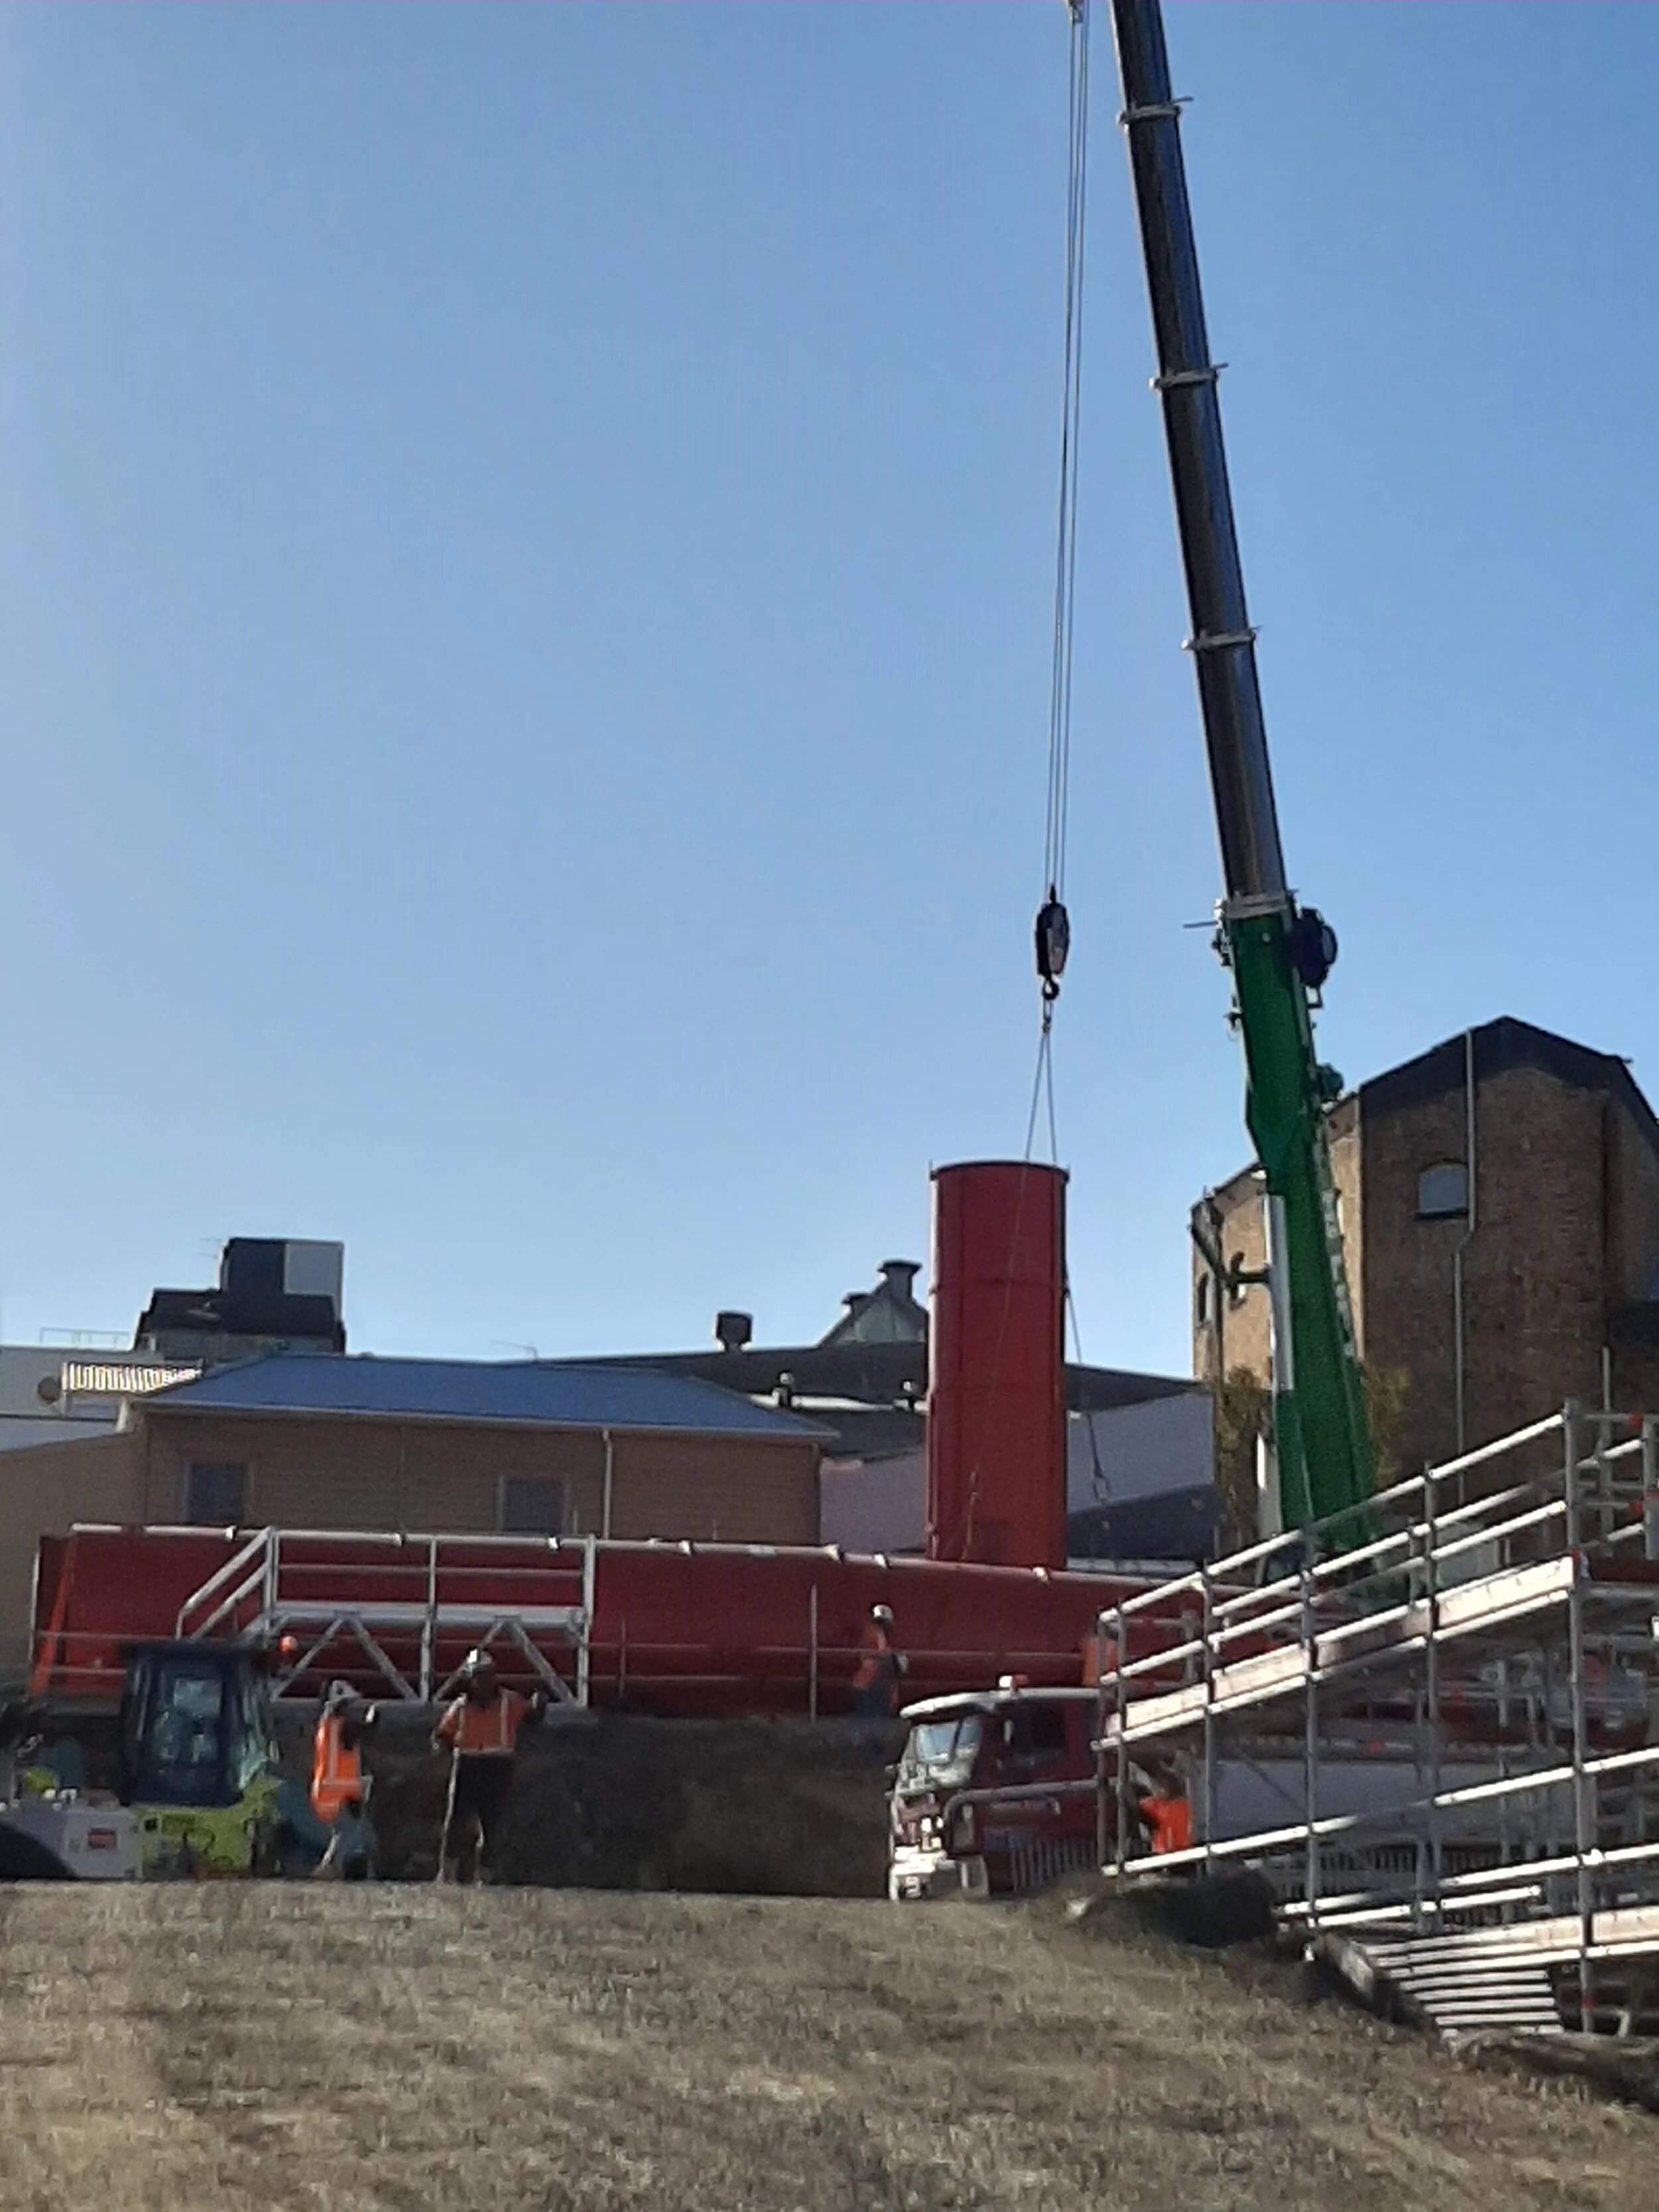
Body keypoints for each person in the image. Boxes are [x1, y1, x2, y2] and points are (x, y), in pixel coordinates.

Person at [433, 1649, 546, 1884]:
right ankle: (447, 1875)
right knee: (456, 1822)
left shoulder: (510, 1701)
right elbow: (442, 1734)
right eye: (476, 1676)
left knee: (492, 1826)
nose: (481, 1681)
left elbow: (532, 1718)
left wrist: (540, 1705)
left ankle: (485, 1877)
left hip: (498, 1766)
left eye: (484, 1675)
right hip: (467, 1764)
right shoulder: (461, 1706)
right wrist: (441, 1745)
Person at [311, 1680, 377, 1880]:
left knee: (342, 1832)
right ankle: (329, 1866)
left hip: (324, 1790)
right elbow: (366, 1732)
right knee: (348, 1831)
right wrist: (374, 1716)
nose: (350, 1709)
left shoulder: (326, 1726)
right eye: (347, 1704)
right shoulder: (343, 1726)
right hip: (339, 1791)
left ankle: (330, 1867)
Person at [852, 1604, 907, 1720]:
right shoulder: (874, 1634)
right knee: (871, 1717)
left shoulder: (874, 1633)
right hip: (871, 1682)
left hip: (868, 1681)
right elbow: (880, 1655)